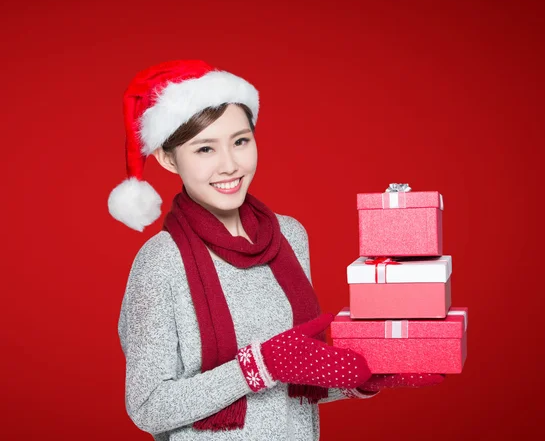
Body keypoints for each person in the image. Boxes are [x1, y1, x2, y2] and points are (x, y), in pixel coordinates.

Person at [108, 60, 444, 441]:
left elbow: (291, 387)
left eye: (240, 141)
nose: (230, 165)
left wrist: (365, 377)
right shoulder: (160, 262)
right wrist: (256, 365)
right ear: (169, 159)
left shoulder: (290, 237)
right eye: (205, 149)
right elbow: (149, 407)